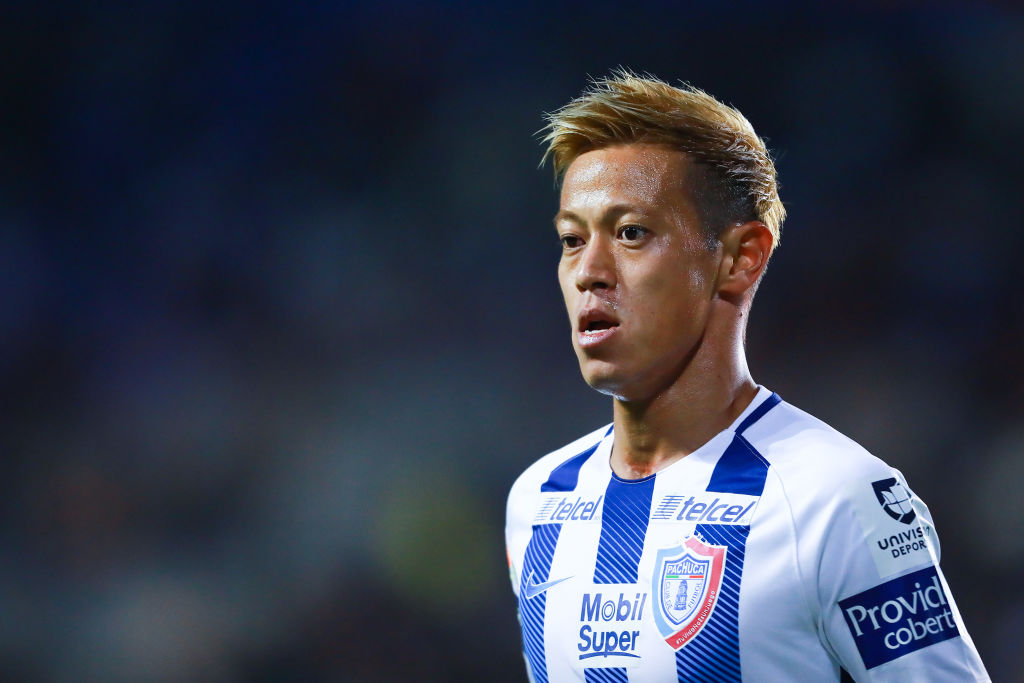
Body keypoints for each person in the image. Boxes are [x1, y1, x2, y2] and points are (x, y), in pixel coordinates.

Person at [505, 70, 989, 682]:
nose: (588, 272)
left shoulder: (835, 500)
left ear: (740, 258)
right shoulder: (538, 500)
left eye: (631, 233)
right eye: (572, 239)